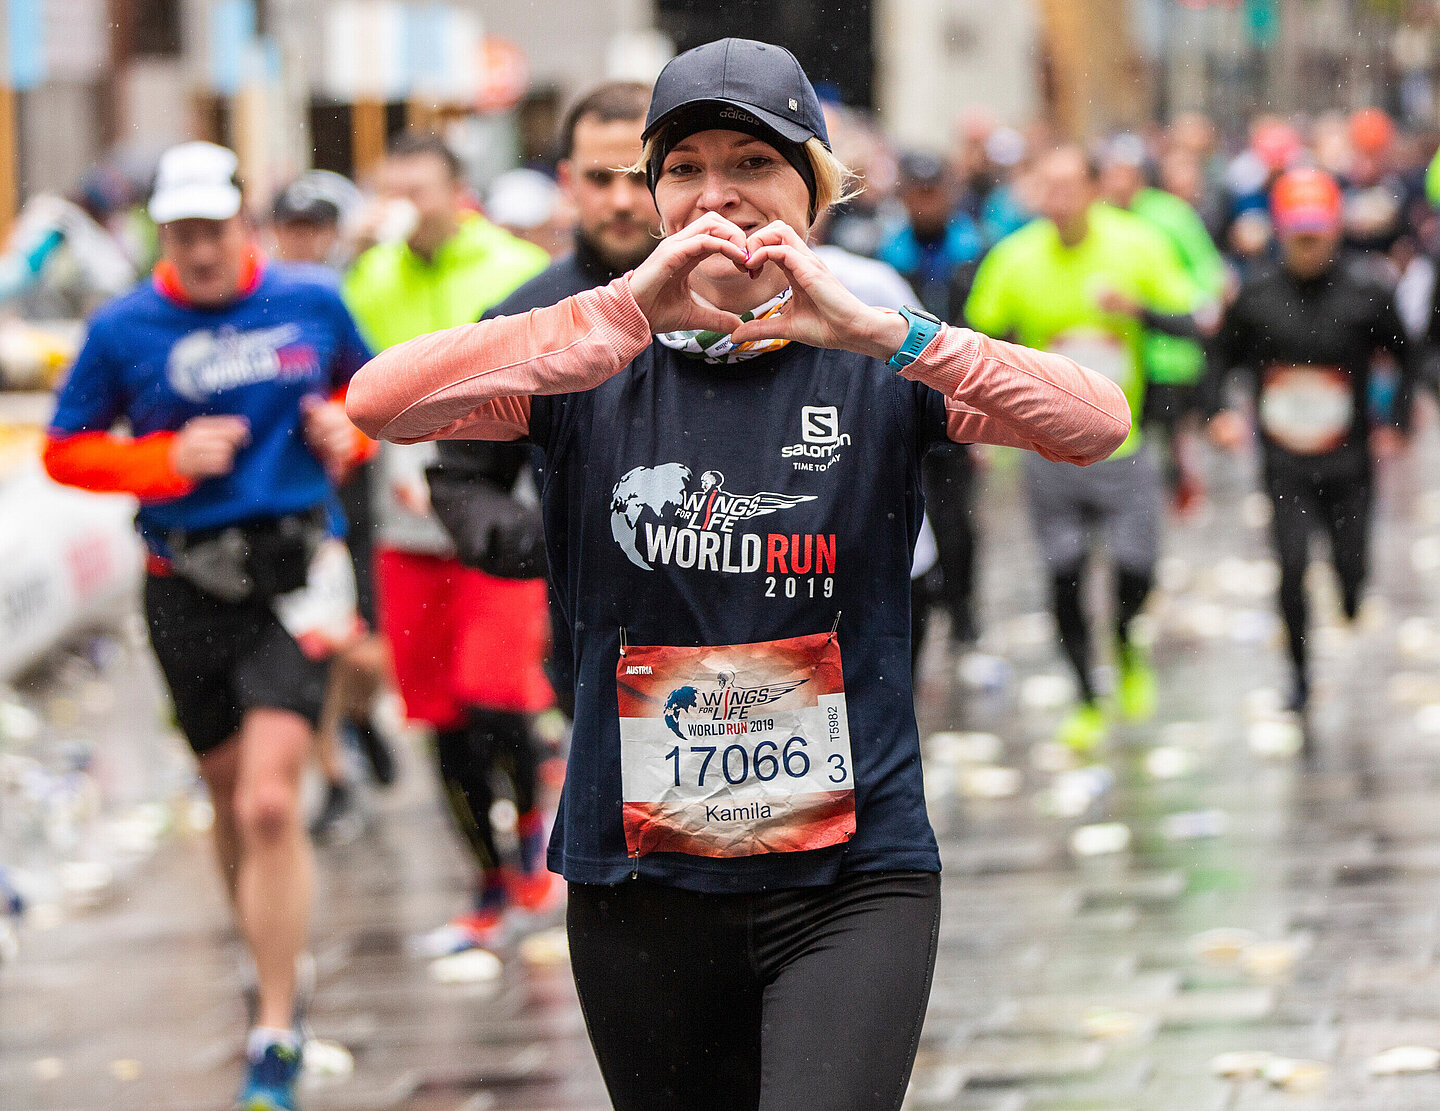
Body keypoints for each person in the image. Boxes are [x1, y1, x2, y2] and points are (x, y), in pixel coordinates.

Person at [347, 38, 1128, 1111]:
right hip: (640, 882)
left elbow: (1098, 423)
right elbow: (379, 405)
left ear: (811, 189)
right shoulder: (583, 358)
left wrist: (889, 333)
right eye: (687, 169)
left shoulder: (876, 356)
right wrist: (616, 317)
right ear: (656, 195)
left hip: (852, 879)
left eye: (754, 165)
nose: (723, 198)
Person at [43, 141, 373, 1111]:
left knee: (272, 801)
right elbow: (65, 451)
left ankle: (275, 1027)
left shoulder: (311, 300)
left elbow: (373, 391)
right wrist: (159, 459)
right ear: (162, 235)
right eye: (180, 233)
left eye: (213, 230)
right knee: (229, 796)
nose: (198, 250)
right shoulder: (123, 328)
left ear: (245, 226)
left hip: (299, 571)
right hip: (183, 582)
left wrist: (346, 430)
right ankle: (265, 951)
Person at [342, 132, 552, 952]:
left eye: (420, 189)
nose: (405, 207)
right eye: (394, 190)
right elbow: (349, 386)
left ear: (459, 189)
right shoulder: (370, 277)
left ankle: (534, 846)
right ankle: (486, 883)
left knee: (497, 691)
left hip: (494, 512)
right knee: (438, 714)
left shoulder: (508, 272)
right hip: (407, 525)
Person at [428, 80, 659, 724]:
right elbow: (462, 479)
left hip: (749, 628)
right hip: (595, 645)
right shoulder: (525, 318)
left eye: (639, 178)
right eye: (599, 178)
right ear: (567, 181)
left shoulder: (734, 295)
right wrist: (561, 545)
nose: (620, 201)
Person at [966, 143, 1200, 753]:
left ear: (1096, 189)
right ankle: (1087, 700)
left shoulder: (1137, 245)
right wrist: (979, 426)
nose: (1059, 197)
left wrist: (1138, 311)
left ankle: (1125, 642)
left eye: (1070, 184)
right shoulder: (1014, 259)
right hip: (1045, 451)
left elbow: (1193, 320)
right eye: (1048, 185)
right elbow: (978, 342)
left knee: (1135, 569)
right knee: (1063, 574)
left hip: (1126, 445)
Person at [1206, 167, 1414, 718]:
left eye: (1317, 234)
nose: (1308, 246)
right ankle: (1298, 676)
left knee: (1350, 569)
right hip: (1285, 461)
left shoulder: (1368, 291)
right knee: (1292, 566)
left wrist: (1398, 420)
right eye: (1297, 235)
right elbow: (1218, 359)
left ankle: (1350, 594)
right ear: (1280, 233)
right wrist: (1219, 412)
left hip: (1350, 460)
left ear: (1336, 231)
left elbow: (1408, 355)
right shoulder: (1254, 296)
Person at [269, 170, 397, 843]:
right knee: (311, 647)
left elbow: (377, 383)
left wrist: (348, 431)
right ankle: (337, 778)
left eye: (315, 227)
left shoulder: (354, 285)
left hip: (351, 484)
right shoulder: (258, 298)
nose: (305, 240)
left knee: (363, 655)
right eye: (293, 227)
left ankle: (359, 718)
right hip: (292, 500)